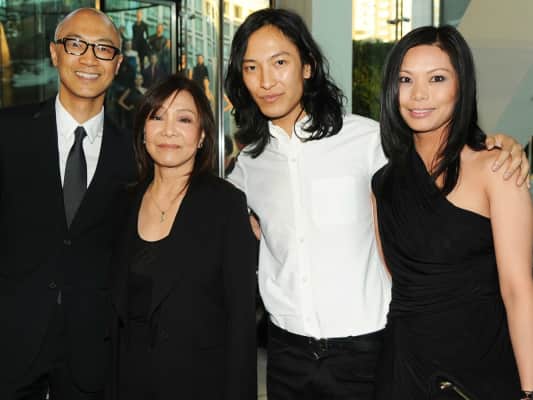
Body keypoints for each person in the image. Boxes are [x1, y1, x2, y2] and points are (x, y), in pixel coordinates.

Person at [224, 8, 530, 400]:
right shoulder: (247, 166)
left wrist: (500, 145)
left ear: (308, 66)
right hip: (286, 355)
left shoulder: (370, 140)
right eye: (251, 68)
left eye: (279, 62)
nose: (266, 80)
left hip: (370, 353)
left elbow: (441, 164)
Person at [371, 25, 533, 400]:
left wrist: (529, 389)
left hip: (480, 367)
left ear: (462, 86)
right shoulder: (383, 183)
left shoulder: (496, 169)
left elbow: (518, 289)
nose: (419, 94)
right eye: (406, 80)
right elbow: (397, 277)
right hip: (402, 368)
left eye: (437, 78)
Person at [0, 8, 136, 399]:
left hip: (92, 347)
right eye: (76, 44)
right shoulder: (8, 132)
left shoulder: (134, 153)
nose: (89, 58)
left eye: (103, 48)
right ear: (54, 53)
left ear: (118, 64)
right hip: (10, 339)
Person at [110, 74, 257, 399]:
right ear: (143, 130)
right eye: (157, 117)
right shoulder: (122, 203)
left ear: (202, 135)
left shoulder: (225, 205)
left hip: (198, 384)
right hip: (128, 382)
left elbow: (241, 322)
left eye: (184, 119)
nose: (168, 130)